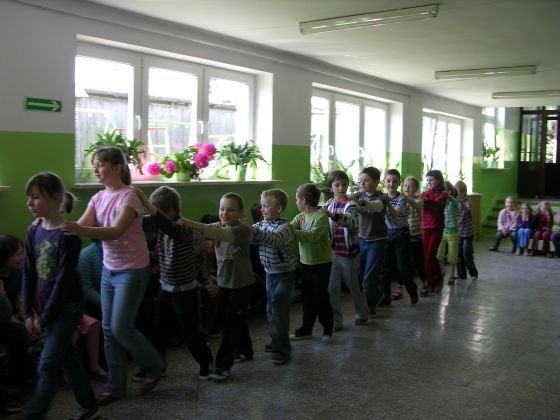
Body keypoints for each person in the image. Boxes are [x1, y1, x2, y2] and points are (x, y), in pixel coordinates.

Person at [62, 146, 166, 406]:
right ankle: (115, 387)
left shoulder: (129, 197)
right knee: (109, 330)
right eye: (94, 164)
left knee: (120, 327)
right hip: (110, 269)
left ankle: (155, 366)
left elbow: (115, 231)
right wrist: (55, 225)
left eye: (100, 164)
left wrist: (79, 230)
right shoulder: (98, 197)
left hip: (132, 269)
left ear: (117, 167)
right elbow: (82, 224)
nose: (96, 169)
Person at [22, 172, 98, 420]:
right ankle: (89, 404)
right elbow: (28, 274)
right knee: (68, 358)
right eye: (29, 197)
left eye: (36, 197)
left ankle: (34, 415)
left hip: (67, 308)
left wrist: (42, 319)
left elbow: (62, 284)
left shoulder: (68, 235)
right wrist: (27, 312)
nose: (29, 203)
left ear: (56, 198)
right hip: (46, 308)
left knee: (47, 363)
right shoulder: (33, 230)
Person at [134, 186, 213, 380]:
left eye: (156, 211)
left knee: (190, 332)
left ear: (169, 211)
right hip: (165, 288)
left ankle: (207, 363)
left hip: (185, 292)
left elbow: (169, 228)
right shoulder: (159, 223)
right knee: (160, 330)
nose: (153, 217)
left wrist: (145, 202)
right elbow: (138, 221)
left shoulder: (183, 229)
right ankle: (155, 366)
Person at [181, 193, 254, 382]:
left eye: (230, 210)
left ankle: (222, 365)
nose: (224, 213)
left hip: (241, 285)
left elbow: (214, 232)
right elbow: (204, 231)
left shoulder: (242, 230)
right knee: (236, 319)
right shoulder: (218, 226)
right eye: (222, 209)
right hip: (225, 283)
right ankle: (246, 350)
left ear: (241, 213)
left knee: (231, 325)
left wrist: (185, 220)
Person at [249, 189, 297, 364]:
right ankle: (276, 339)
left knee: (278, 311)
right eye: (261, 206)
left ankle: (282, 350)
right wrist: (245, 229)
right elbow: (252, 238)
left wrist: (254, 232)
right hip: (270, 274)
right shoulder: (261, 225)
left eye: (266, 206)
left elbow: (274, 240)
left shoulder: (286, 227)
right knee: (270, 310)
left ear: (279, 209)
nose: (262, 209)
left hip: (285, 275)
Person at [322, 171, 369, 330]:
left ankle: (362, 314)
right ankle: (337, 322)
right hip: (332, 252)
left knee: (353, 286)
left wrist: (331, 215)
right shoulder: (328, 204)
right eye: (337, 185)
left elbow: (349, 221)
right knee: (332, 288)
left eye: (344, 184)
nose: (341, 188)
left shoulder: (352, 204)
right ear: (331, 187)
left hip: (349, 253)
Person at [289, 183, 334, 341]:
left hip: (322, 264)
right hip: (306, 263)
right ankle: (306, 329)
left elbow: (313, 236)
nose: (296, 202)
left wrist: (294, 233)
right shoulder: (300, 217)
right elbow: (290, 227)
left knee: (321, 297)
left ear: (303, 200)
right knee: (307, 297)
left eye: (297, 199)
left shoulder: (321, 216)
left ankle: (327, 329)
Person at [378, 169, 419, 305]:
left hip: (402, 234)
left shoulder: (402, 198)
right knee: (384, 268)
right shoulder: (381, 197)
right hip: (387, 234)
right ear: (384, 182)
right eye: (388, 181)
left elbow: (395, 215)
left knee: (403, 268)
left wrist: (386, 202)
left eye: (395, 181)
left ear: (399, 183)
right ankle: (385, 297)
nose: (391, 184)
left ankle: (412, 290)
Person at [0, 234, 29, 414]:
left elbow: (21, 300)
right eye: (17, 254)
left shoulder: (18, 273)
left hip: (9, 320)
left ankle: (15, 385)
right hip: (3, 317)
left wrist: (29, 319)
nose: (22, 257)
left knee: (20, 332)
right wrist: (2, 296)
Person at [353, 167, 387, 312]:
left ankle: (370, 306)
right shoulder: (358, 195)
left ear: (376, 182)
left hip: (377, 241)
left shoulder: (382, 197)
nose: (362, 183)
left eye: (366, 180)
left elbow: (375, 207)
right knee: (361, 275)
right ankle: (378, 295)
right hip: (362, 240)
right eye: (360, 180)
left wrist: (360, 202)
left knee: (369, 277)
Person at [420, 170, 448, 294]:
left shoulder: (443, 194)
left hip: (437, 228)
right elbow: (419, 201)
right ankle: (430, 281)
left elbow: (436, 204)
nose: (428, 182)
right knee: (426, 256)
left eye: (431, 180)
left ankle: (437, 279)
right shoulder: (425, 193)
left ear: (439, 180)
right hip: (425, 228)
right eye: (427, 180)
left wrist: (424, 200)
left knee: (431, 255)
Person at [401, 176, 426, 298]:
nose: (407, 188)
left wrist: (405, 198)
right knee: (402, 263)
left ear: (416, 189)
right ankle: (400, 286)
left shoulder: (419, 199)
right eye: (405, 185)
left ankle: (425, 283)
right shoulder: (401, 200)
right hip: (404, 235)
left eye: (411, 186)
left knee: (419, 261)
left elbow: (417, 206)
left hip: (416, 236)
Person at [436, 181, 461, 286]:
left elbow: (458, 204)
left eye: (444, 191)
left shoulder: (453, 201)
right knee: (439, 254)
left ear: (449, 191)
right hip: (442, 231)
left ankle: (452, 275)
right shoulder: (440, 202)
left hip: (453, 233)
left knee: (452, 256)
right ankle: (442, 271)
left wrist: (449, 197)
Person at [455, 181, 479, 280]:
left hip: (468, 234)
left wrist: (460, 202)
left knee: (466, 253)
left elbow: (467, 210)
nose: (457, 195)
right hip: (458, 233)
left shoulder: (468, 202)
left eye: (458, 192)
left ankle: (473, 273)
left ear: (464, 193)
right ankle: (461, 274)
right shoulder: (455, 203)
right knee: (458, 254)